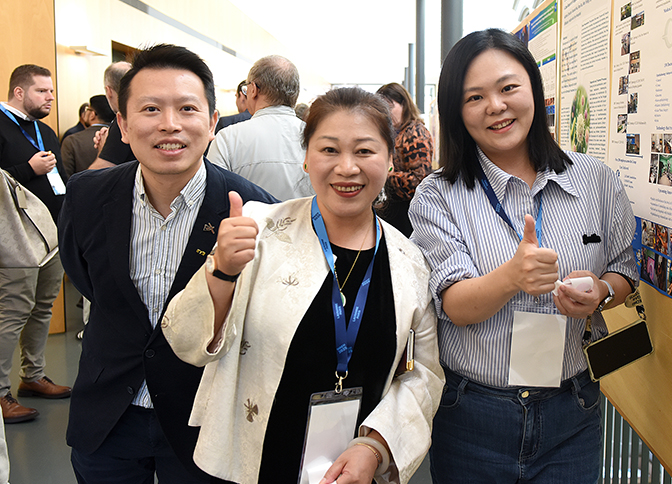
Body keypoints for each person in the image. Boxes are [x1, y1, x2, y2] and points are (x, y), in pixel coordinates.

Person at [162, 86, 443, 483]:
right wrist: (222, 271)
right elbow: (184, 341)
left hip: (351, 468)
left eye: (364, 151)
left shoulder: (408, 261)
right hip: (258, 459)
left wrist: (375, 446)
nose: (347, 168)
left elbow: (422, 374)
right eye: (329, 150)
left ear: (389, 158)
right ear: (306, 158)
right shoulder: (259, 231)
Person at [408, 29, 637, 483]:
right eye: (475, 97)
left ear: (534, 88)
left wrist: (603, 292)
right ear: (456, 110)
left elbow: (624, 271)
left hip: (572, 410)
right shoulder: (437, 195)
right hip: (473, 413)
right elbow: (453, 305)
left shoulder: (596, 180)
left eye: (509, 87)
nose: (496, 106)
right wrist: (511, 276)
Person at [58, 44, 276, 483]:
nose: (169, 125)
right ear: (122, 122)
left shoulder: (255, 208)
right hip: (108, 416)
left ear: (213, 122)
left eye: (188, 108)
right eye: (150, 108)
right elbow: (88, 280)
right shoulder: (86, 195)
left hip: (205, 417)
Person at [0, 64, 71, 424]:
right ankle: (0, 394)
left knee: (43, 308)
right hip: (15, 237)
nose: (50, 98)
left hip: (53, 234)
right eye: (42, 91)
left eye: (51, 91)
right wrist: (28, 169)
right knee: (11, 314)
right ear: (18, 92)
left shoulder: (44, 130)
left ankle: (33, 376)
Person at [208, 55, 313, 201]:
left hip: (246, 223)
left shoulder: (228, 138)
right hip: (307, 223)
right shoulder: (315, 138)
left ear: (253, 90)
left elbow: (213, 195)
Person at [375, 83, 434, 236]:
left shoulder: (415, 133)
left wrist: (386, 175)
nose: (386, 113)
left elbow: (420, 181)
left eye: (390, 106)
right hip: (395, 209)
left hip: (408, 212)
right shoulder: (395, 132)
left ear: (404, 104)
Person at [88, 61, 134, 170]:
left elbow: (97, 175)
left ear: (109, 91)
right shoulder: (142, 114)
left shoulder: (124, 121)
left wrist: (103, 150)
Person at [61, 94, 114, 176]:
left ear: (92, 115)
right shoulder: (123, 139)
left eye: (87, 109)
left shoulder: (72, 141)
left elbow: (65, 176)